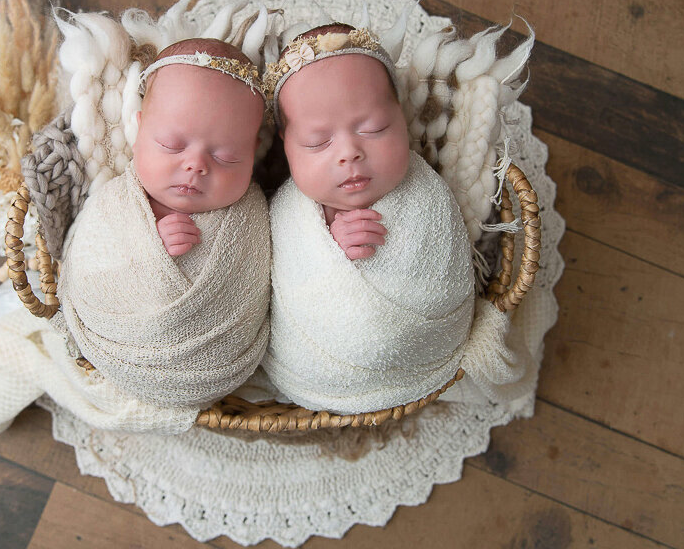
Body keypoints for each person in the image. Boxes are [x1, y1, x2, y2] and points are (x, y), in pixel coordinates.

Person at [260, 23, 476, 414]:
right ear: (285, 146)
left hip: (424, 349)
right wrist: (326, 246)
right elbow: (276, 281)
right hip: (318, 366)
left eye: (374, 128)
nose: (349, 152)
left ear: (403, 118)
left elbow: (446, 264)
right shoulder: (288, 213)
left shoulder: (424, 192)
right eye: (317, 142)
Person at [55, 37, 272, 409]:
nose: (196, 165)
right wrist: (146, 248)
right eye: (172, 145)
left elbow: (268, 283)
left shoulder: (253, 213)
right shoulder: (116, 203)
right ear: (139, 132)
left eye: (226, 156)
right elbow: (87, 261)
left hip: (222, 363)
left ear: (253, 153)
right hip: (121, 347)